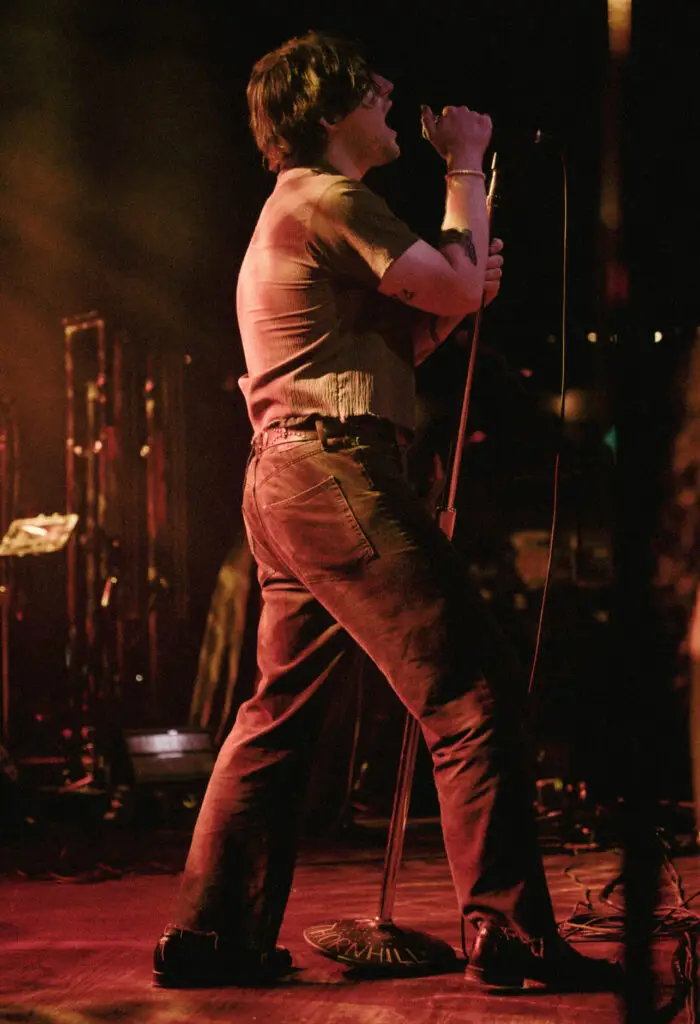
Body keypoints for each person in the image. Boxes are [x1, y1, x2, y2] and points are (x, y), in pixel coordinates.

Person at [154, 30, 621, 993]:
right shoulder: (330, 199)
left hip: (290, 476)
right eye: (372, 91)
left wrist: (452, 296)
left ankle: (213, 935)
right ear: (328, 112)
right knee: (472, 692)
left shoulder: (293, 208)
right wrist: (464, 164)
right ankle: (509, 933)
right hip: (333, 472)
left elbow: (401, 340)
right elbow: (448, 281)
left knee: (279, 712)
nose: (391, 95)